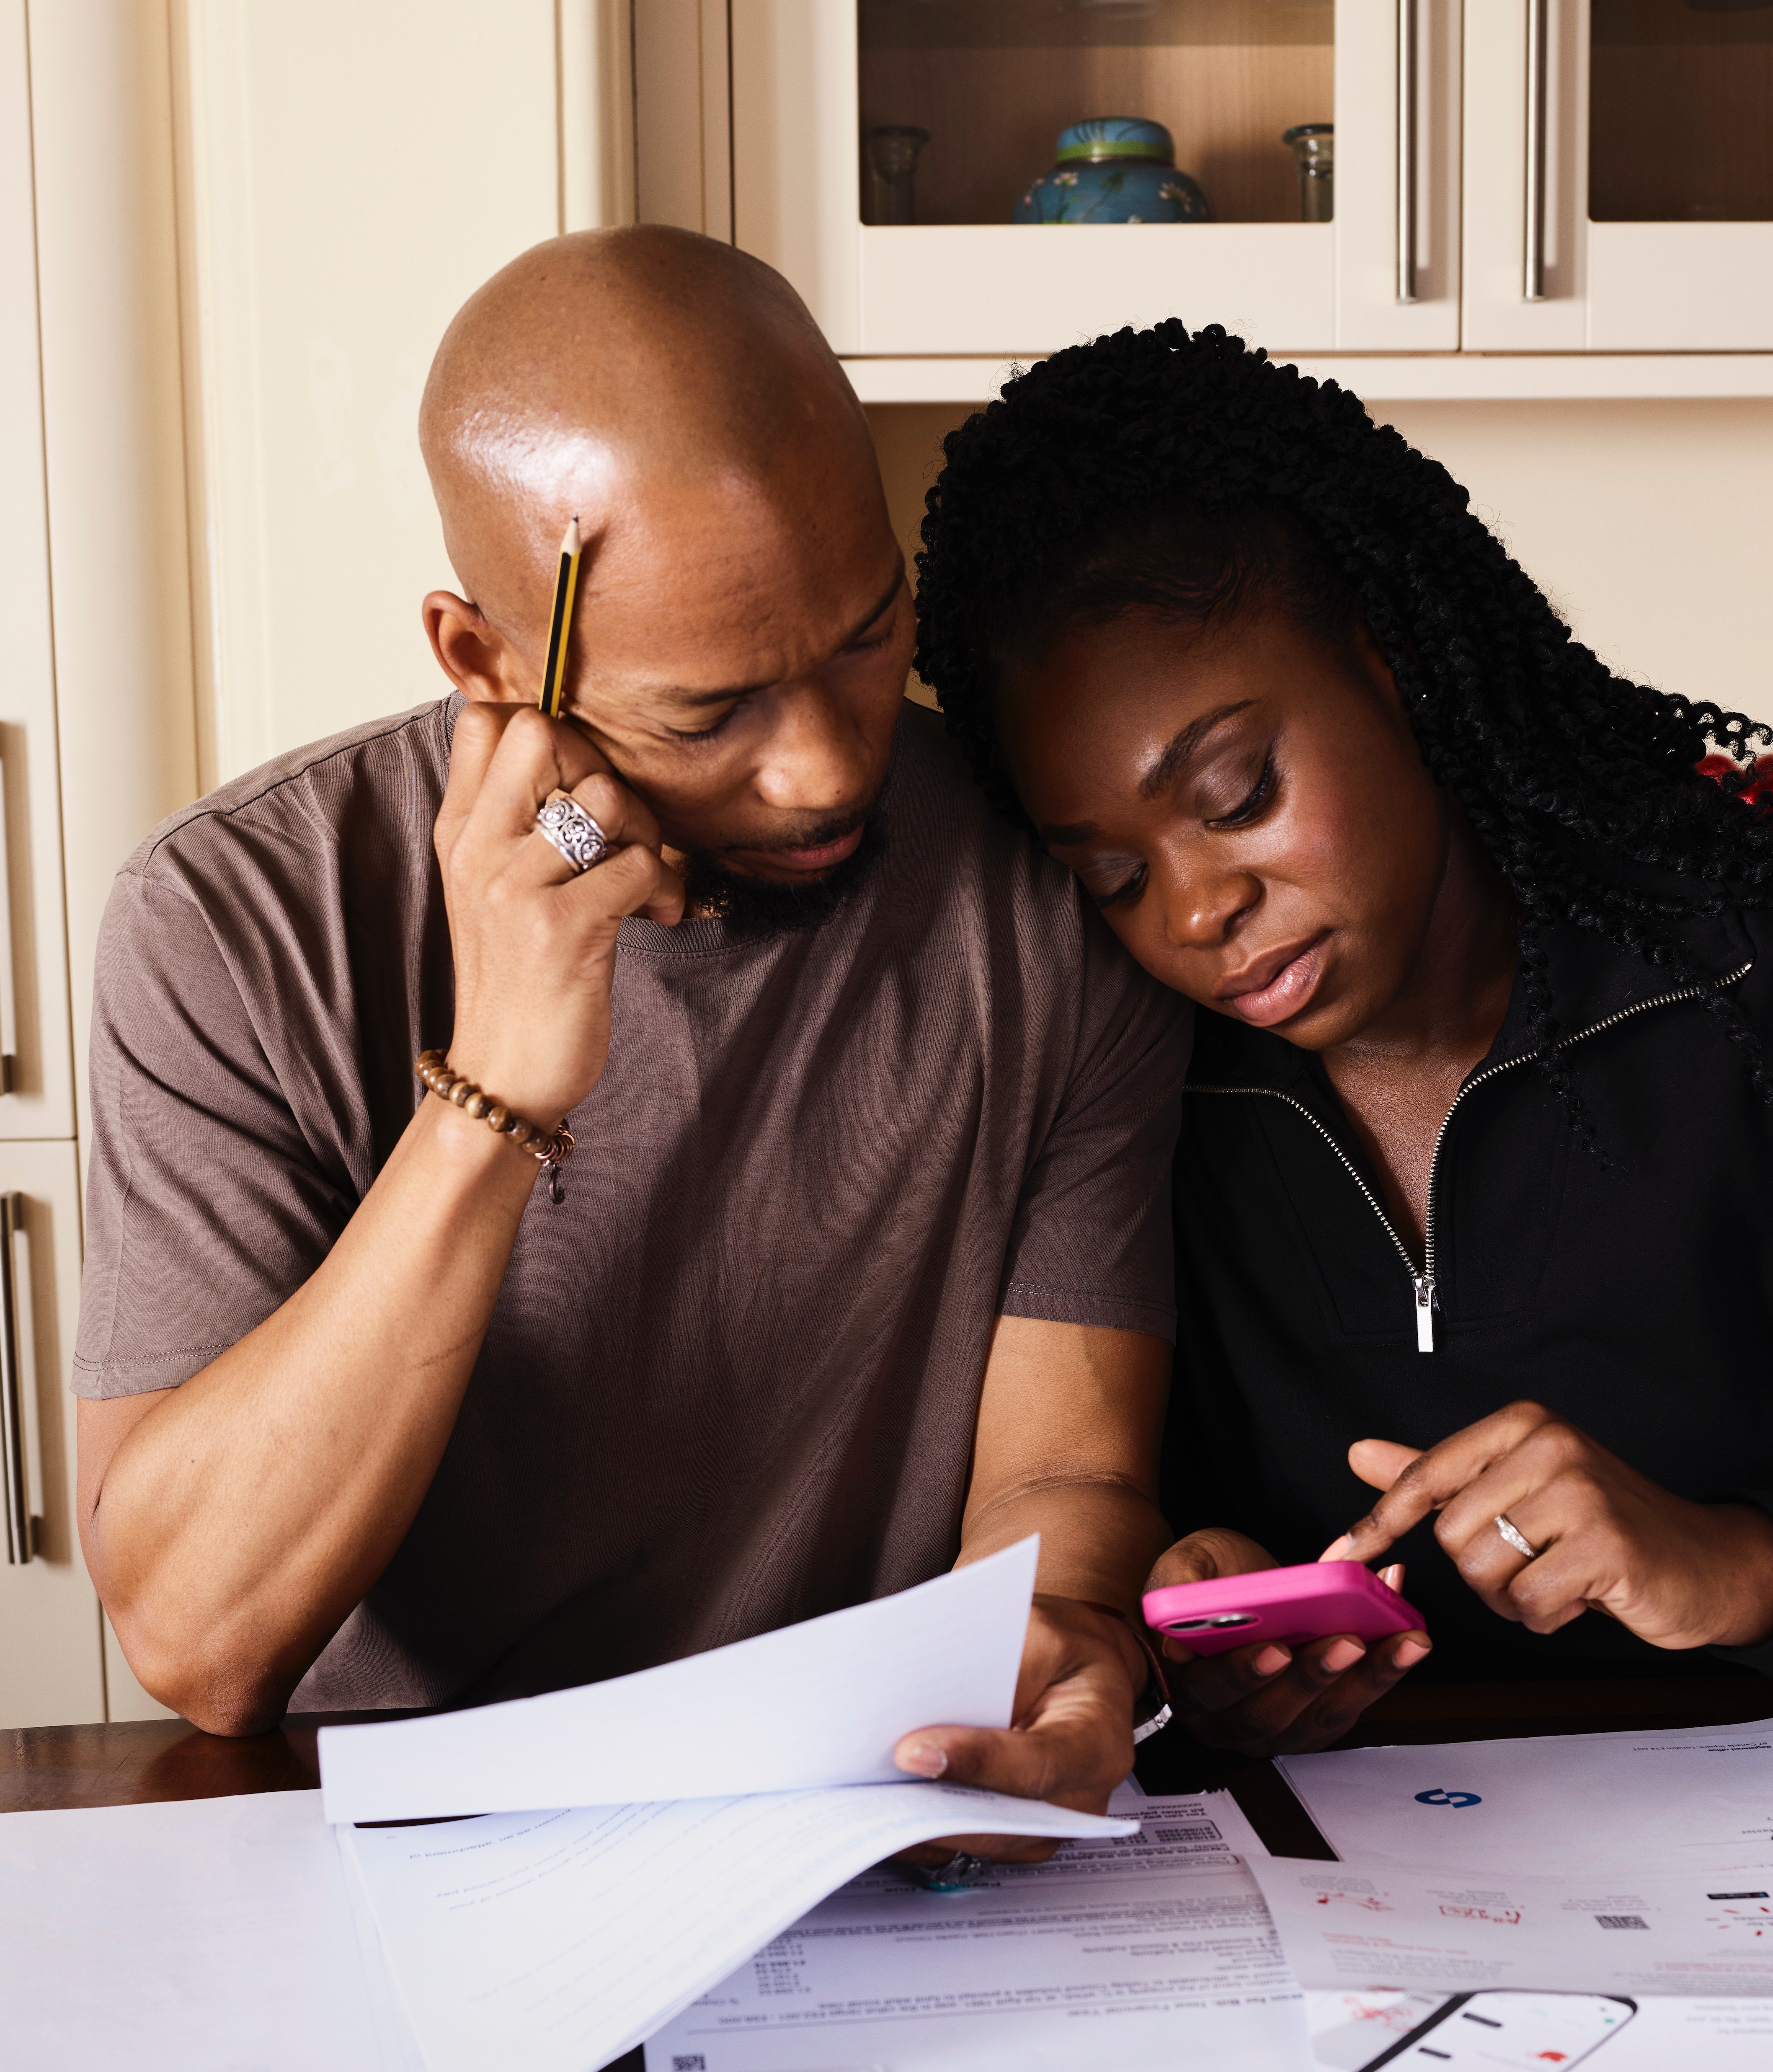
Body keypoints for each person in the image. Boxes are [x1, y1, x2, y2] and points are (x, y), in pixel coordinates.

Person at [71, 229, 1187, 1848]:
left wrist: (1065, 1638)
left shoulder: (1048, 880)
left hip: (869, 1820)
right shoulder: (232, 921)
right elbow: (202, 1646)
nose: (820, 768)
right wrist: (501, 1083)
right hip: (399, 1855)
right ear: (484, 658)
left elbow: (1057, 1481)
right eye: (708, 710)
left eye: (867, 635)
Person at [911, 320, 1773, 1753]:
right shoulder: (1133, 1089)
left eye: (1234, 793)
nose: (1196, 910)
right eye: (1110, 875)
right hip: (1340, 1905)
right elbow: (1107, 1514)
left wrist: (1737, 1562)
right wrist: (1192, 1618)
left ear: (1391, 660)